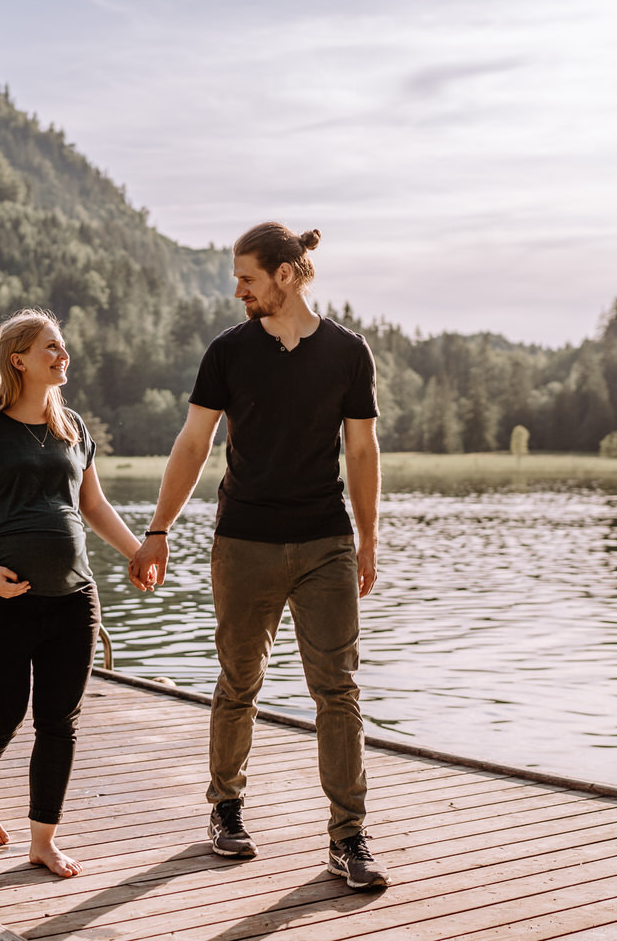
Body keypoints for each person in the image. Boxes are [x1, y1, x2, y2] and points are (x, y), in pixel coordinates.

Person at [128, 221, 389, 890]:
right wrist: (158, 529)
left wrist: (368, 538)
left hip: (325, 542)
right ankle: (226, 809)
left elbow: (361, 451)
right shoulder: (228, 353)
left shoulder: (348, 353)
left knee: (339, 691)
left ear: (285, 273)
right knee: (238, 684)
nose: (239, 292)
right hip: (242, 541)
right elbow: (193, 443)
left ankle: (349, 837)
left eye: (247, 279)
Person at [0, 308, 150, 878]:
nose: (63, 356)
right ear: (19, 359)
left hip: (73, 600)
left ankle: (43, 840)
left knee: (60, 722)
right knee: (2, 713)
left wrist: (137, 552)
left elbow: (94, 506)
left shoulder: (73, 427)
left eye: (63, 347)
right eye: (51, 348)